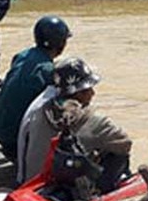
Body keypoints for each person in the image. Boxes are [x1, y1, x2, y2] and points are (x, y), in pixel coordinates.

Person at [21, 57, 131, 193]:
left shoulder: (39, 109)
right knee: (118, 155)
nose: (93, 93)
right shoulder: (93, 120)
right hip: (62, 189)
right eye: (89, 89)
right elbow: (125, 143)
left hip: (32, 185)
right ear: (79, 93)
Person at [0, 16, 71, 163]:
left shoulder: (22, 56)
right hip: (15, 142)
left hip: (0, 131)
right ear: (60, 43)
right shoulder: (48, 71)